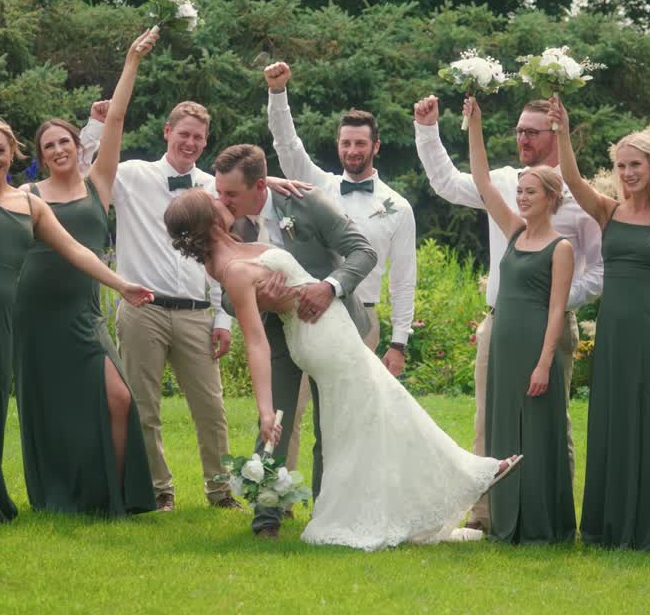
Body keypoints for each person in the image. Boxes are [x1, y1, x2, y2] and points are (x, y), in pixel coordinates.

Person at [164, 187, 523, 550]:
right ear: (207, 222)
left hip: (325, 328)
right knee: (385, 408)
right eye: (214, 200)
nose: (222, 198)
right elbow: (256, 342)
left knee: (363, 418)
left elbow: (246, 188)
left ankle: (390, 499)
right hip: (321, 336)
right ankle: (468, 474)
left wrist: (268, 178)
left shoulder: (227, 249)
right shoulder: (234, 269)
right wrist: (265, 410)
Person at [0, 38, 152, 523]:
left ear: (12, 152)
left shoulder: (31, 204)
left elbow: (78, 250)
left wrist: (120, 285)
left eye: (0, 150)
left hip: (3, 314)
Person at [414, 94, 603, 532]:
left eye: (530, 131)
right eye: (517, 130)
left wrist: (551, 300)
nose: (521, 138)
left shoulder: (577, 203)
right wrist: (469, 125)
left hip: (550, 325)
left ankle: (551, 515)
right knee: (490, 420)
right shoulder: (510, 208)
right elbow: (473, 181)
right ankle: (487, 515)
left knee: (550, 422)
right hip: (501, 324)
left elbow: (596, 275)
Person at [12, 29, 159, 516]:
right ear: (41, 154)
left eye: (64, 142)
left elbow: (115, 117)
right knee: (53, 411)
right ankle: (63, 495)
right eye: (48, 145)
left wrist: (131, 60)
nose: (57, 150)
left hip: (82, 313)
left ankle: (113, 496)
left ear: (79, 145)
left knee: (118, 397)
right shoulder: (28, 194)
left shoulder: (99, 183)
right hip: (34, 312)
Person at [79, 101, 240, 512]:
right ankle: (157, 490)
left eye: (199, 137)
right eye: (184, 134)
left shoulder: (212, 188)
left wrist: (223, 317)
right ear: (167, 132)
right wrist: (96, 126)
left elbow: (223, 257)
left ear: (206, 142)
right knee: (143, 406)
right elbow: (83, 173)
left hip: (196, 312)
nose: (190, 142)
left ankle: (221, 491)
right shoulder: (133, 175)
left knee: (211, 408)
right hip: (142, 309)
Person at [210, 143, 376, 539]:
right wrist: (260, 298)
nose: (222, 200)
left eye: (231, 193)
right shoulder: (222, 219)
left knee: (331, 424)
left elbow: (363, 251)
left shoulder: (308, 204)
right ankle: (267, 517)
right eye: (219, 192)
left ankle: (327, 512)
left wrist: (329, 287)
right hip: (275, 332)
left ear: (260, 186)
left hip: (329, 325)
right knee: (274, 420)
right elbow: (228, 300)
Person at [552, 95, 650, 551]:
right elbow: (572, 181)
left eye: (635, 164)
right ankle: (608, 526)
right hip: (612, 335)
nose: (628, 173)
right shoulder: (608, 211)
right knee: (612, 425)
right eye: (621, 165)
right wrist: (563, 132)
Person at [261, 61, 417, 476]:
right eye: (346, 143)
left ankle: (331, 499)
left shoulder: (398, 207)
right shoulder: (318, 186)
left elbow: (404, 280)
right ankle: (274, 496)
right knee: (284, 411)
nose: (352, 151)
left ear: (376, 146)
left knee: (343, 419)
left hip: (360, 318)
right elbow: (287, 147)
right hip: (302, 310)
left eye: (360, 144)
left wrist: (398, 343)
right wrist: (278, 95)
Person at [463, 97, 576, 544]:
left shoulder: (561, 247)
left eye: (530, 192)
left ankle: (543, 523)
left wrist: (545, 363)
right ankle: (502, 519)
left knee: (541, 432)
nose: (521, 197)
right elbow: (482, 181)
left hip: (536, 346)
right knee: (501, 427)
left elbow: (556, 309)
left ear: (550, 198)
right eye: (520, 192)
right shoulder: (513, 231)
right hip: (503, 343)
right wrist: (475, 126)